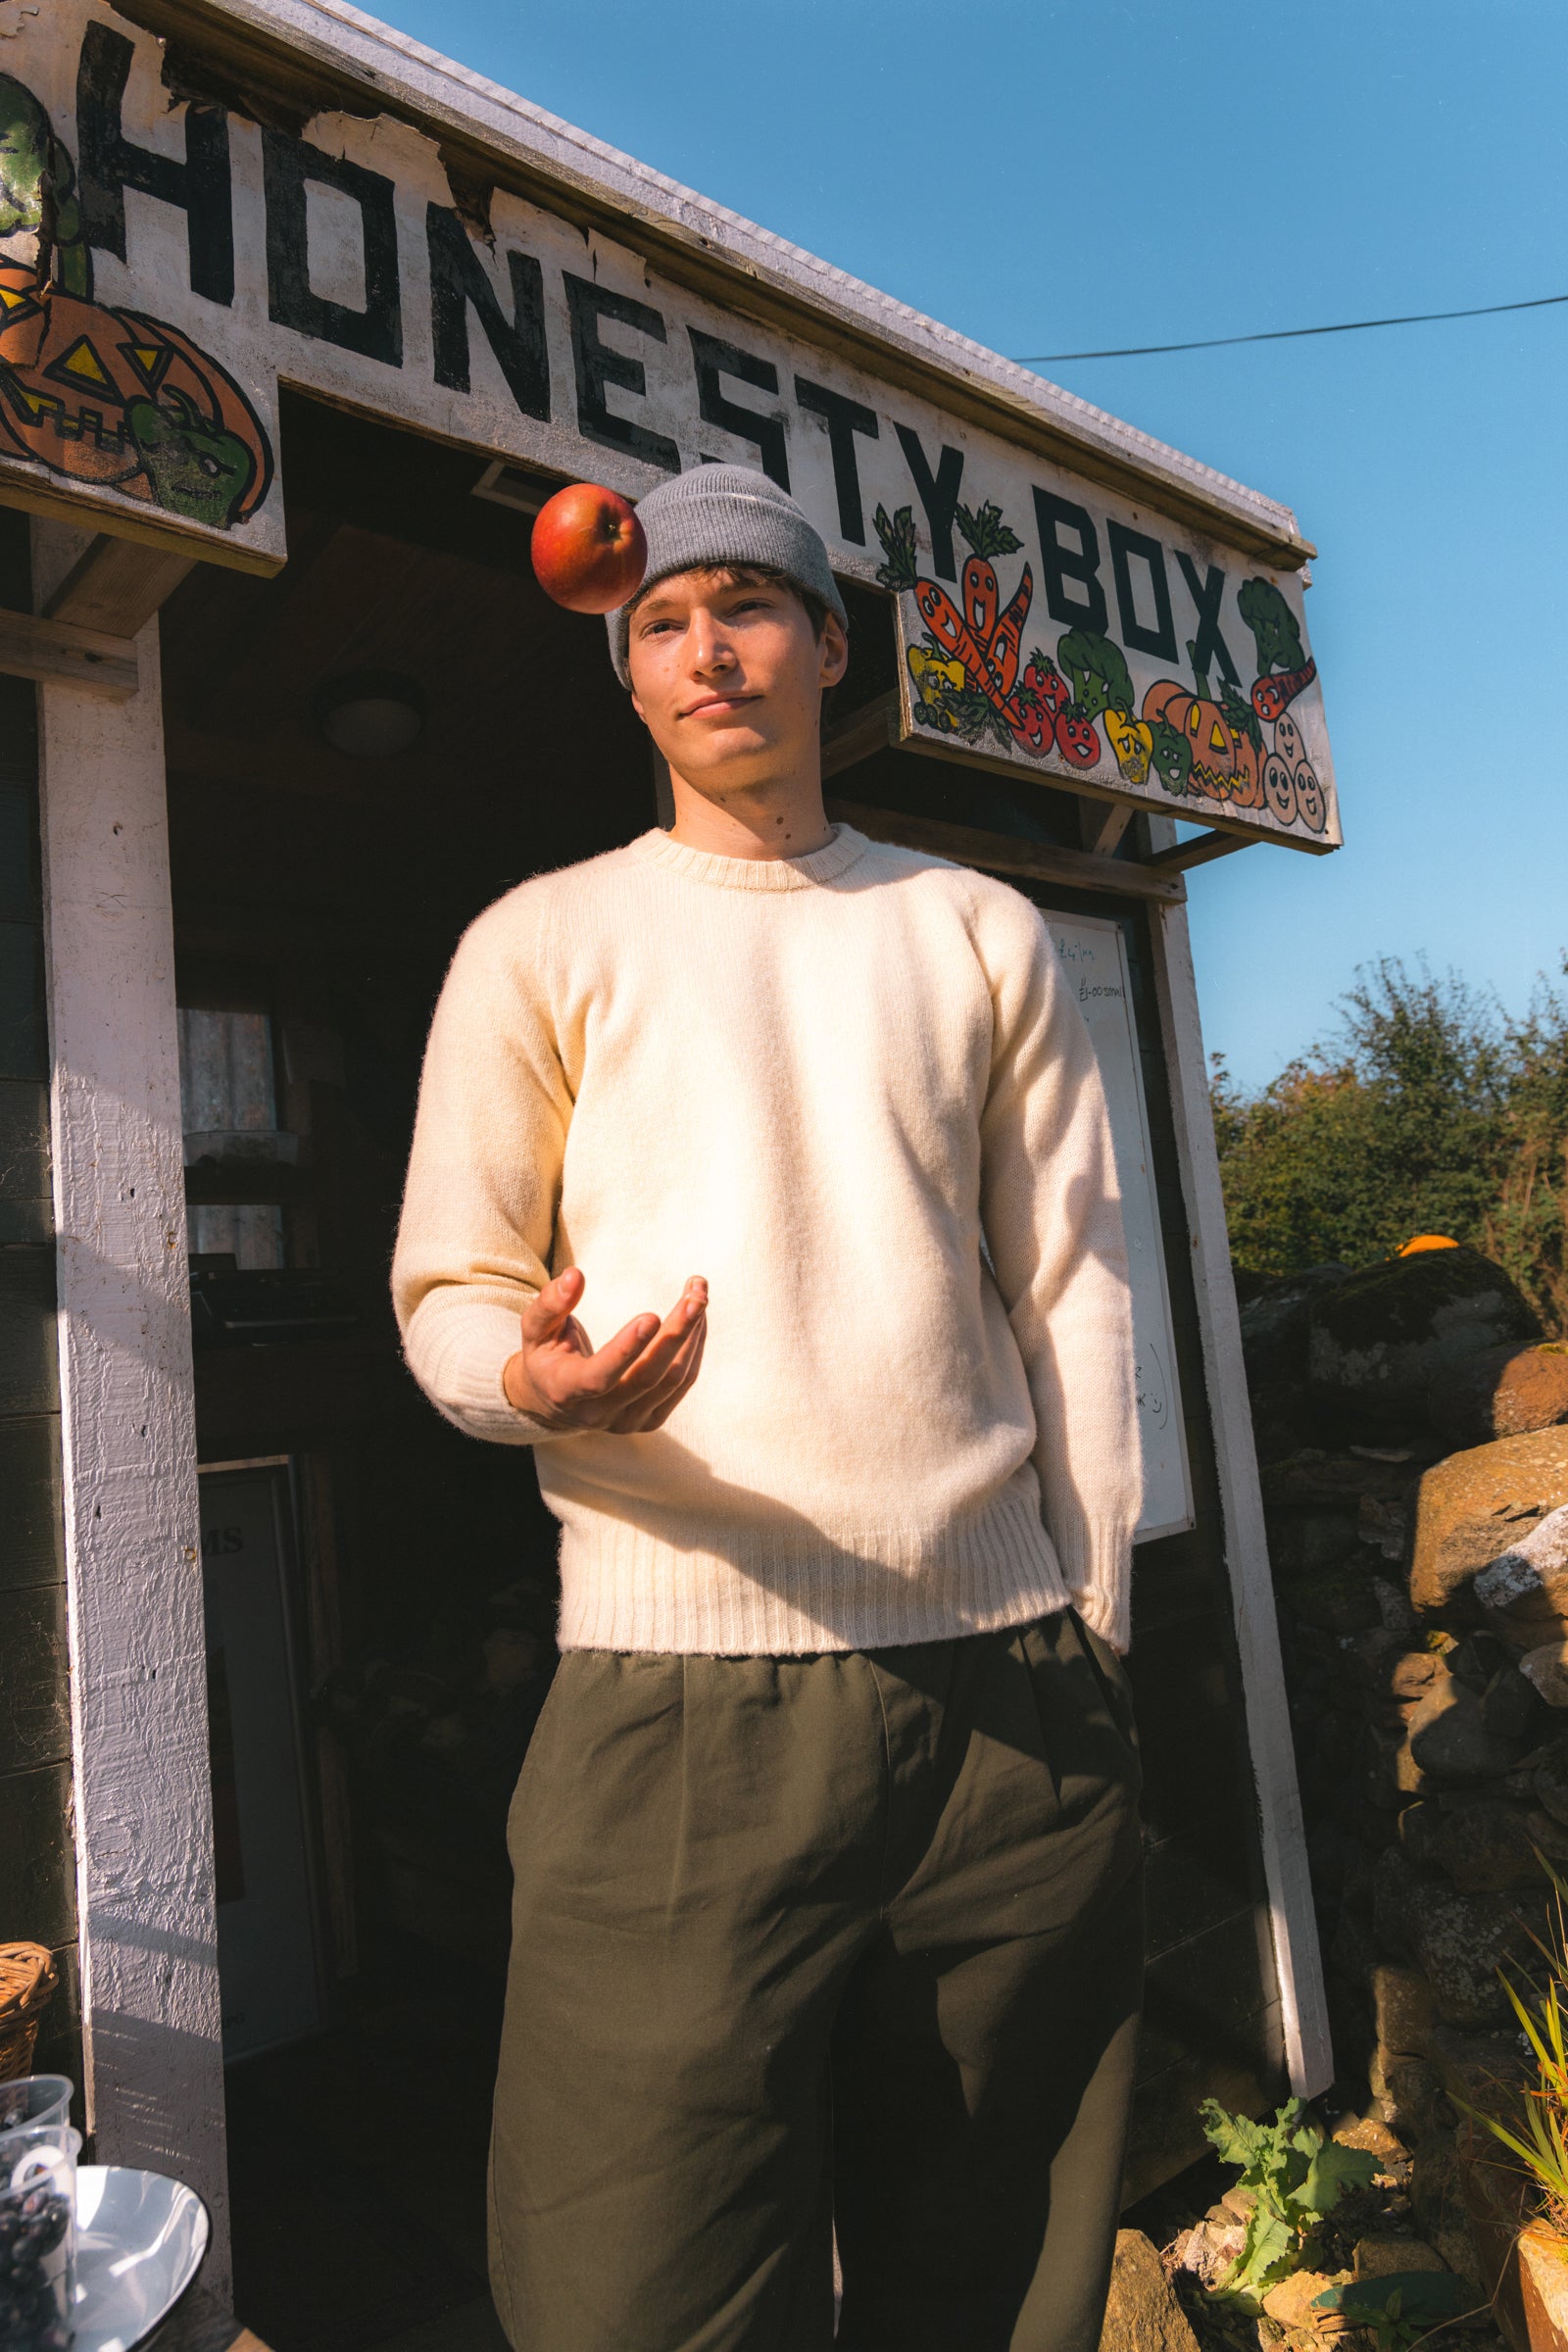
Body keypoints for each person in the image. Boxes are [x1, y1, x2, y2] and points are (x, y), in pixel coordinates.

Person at [393, 463, 1144, 2352]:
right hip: (674, 1707)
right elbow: (451, 1288)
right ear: (627, 680)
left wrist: (1097, 1623)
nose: (708, 648)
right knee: (631, 2288)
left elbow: (1071, 1293)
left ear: (826, 645)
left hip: (1009, 1700)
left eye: (749, 607)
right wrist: (523, 1375)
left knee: (994, 2275)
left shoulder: (973, 929)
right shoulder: (542, 941)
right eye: (663, 621)